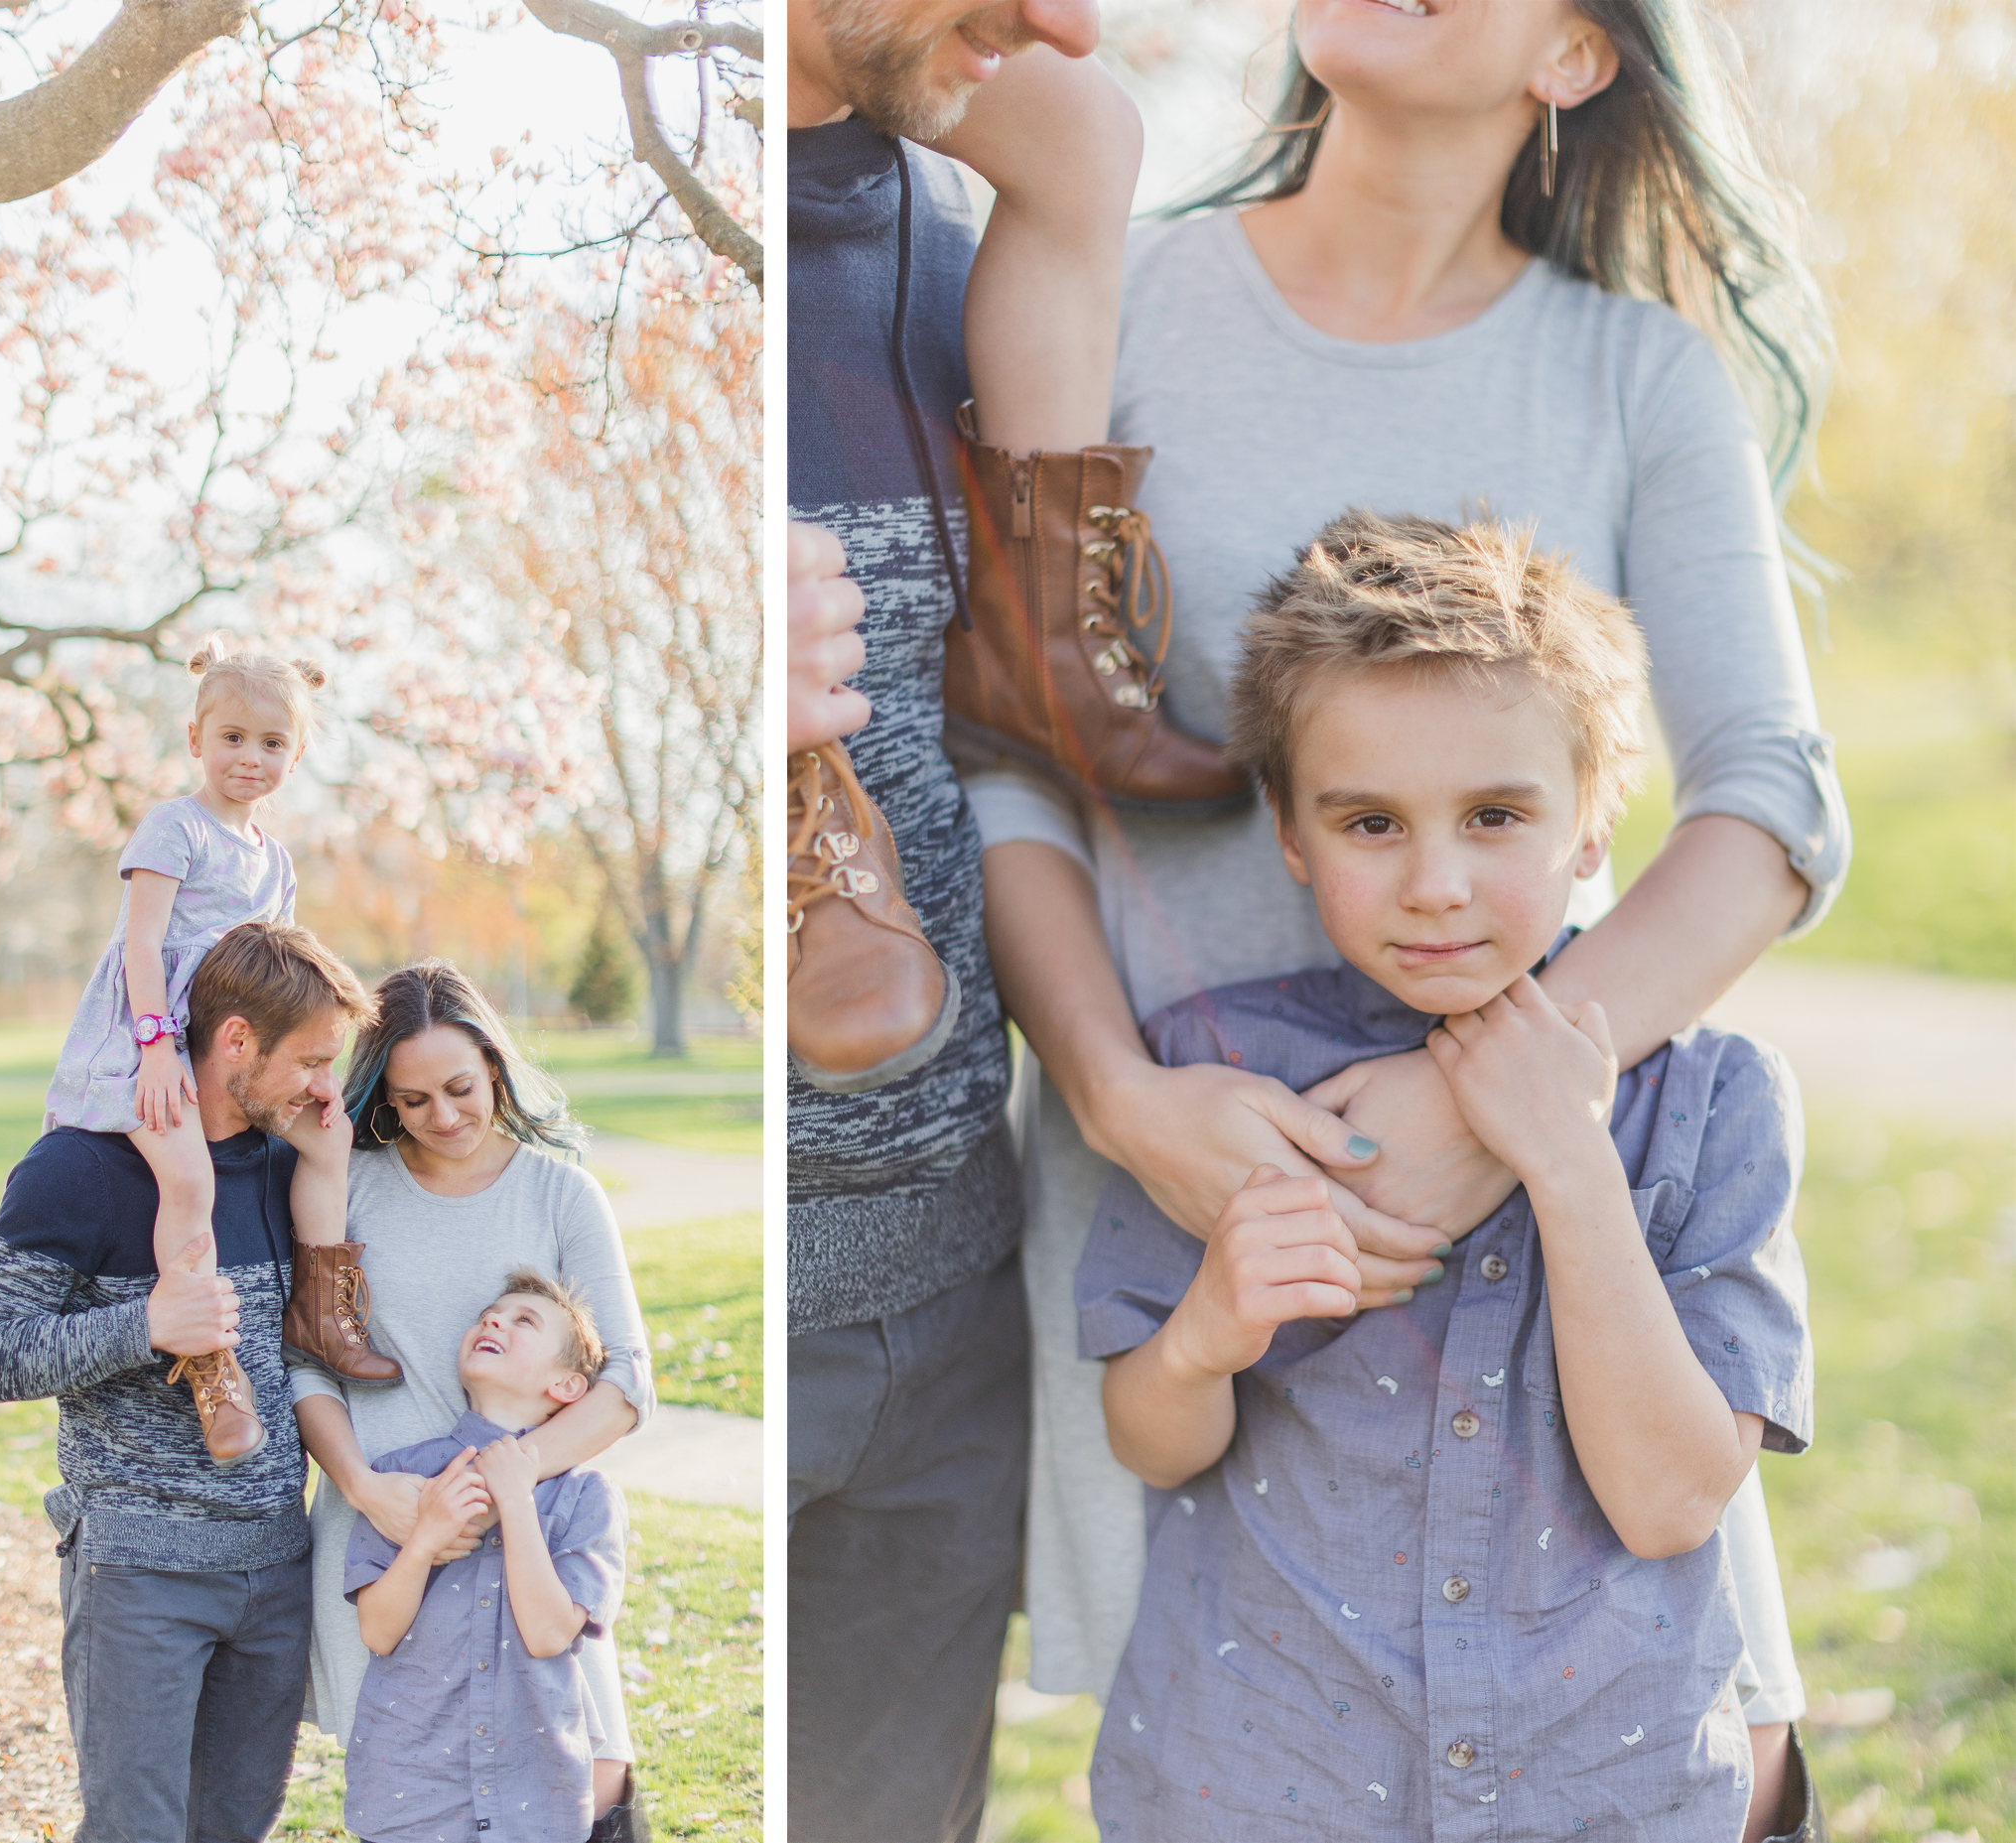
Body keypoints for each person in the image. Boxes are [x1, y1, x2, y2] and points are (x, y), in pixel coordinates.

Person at [967, 7, 1848, 1833]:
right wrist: (1132, 1100)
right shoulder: (1107, 296)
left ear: (1577, 55)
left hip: (1554, 1206)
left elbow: (1773, 802)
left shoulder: (1637, 376)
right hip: (1205, 1194)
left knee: (1669, 1740)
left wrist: (1470, 1111)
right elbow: (1011, 753)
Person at [1083, 511, 1815, 1838]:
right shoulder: (1218, 1075)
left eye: (1495, 816)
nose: (1435, 884)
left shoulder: (1717, 1104)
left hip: (1601, 1789)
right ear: (1290, 833)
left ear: (1593, 820)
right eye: (1370, 822)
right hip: (1265, 1780)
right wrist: (1204, 1336)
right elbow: (1147, 1435)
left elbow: (1671, 1500)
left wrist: (1560, 1155)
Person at [785, 0, 1129, 1832]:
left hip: (953, 1322)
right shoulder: (626, 242)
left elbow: (1068, 729)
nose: (1070, 22)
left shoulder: (967, 241)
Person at [0, 918, 374, 1843]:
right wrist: (146, 1326)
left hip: (274, 1566)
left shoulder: (284, 1160)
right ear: (235, 1043)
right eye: (308, 1059)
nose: (322, 1086)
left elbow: (315, 1340)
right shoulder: (79, 1166)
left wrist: (331, 1178)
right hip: (141, 1573)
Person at [285, 962, 654, 1840]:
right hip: (388, 1537)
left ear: (495, 1063)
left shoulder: (560, 1191)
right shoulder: (352, 1185)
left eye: (459, 1087)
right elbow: (308, 1363)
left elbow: (626, 1380)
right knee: (420, 1788)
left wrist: (508, 1481)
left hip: (529, 1529)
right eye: (413, 1100)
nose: (443, 1116)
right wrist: (374, 1491)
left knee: (593, 1775)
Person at [42, 639, 397, 1465]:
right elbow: (142, 946)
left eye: (272, 743)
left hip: (232, 1051)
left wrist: (310, 1067)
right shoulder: (176, 829)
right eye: (233, 736)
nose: (251, 756)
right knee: (191, 1176)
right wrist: (155, 1047)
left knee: (327, 1137)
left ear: (297, 754)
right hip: (149, 1045)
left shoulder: (274, 859)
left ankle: (321, 1310)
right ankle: (209, 1363)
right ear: (196, 737)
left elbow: (285, 971)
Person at [343, 1270, 629, 1843]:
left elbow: (550, 1634)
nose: (493, 1321)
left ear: (568, 1387)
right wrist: (425, 1538)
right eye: (488, 1316)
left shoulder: (586, 1497)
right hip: (410, 1787)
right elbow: (377, 1631)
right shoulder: (401, 1478)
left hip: (535, 1789)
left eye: (524, 1321)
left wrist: (517, 1499)